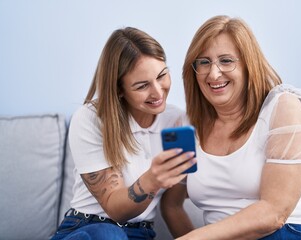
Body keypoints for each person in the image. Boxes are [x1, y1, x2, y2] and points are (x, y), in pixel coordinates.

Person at [161, 15, 301, 240]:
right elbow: (171, 205)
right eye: (204, 62)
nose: (213, 73)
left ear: (248, 65)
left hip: (293, 233)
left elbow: (274, 214)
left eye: (226, 61)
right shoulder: (188, 126)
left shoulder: (282, 106)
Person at [51, 27, 196, 240]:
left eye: (162, 75)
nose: (157, 92)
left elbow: (172, 207)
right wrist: (152, 180)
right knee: (110, 234)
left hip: (141, 233)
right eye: (142, 85)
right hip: (90, 228)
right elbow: (114, 208)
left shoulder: (177, 121)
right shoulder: (91, 118)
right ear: (119, 90)